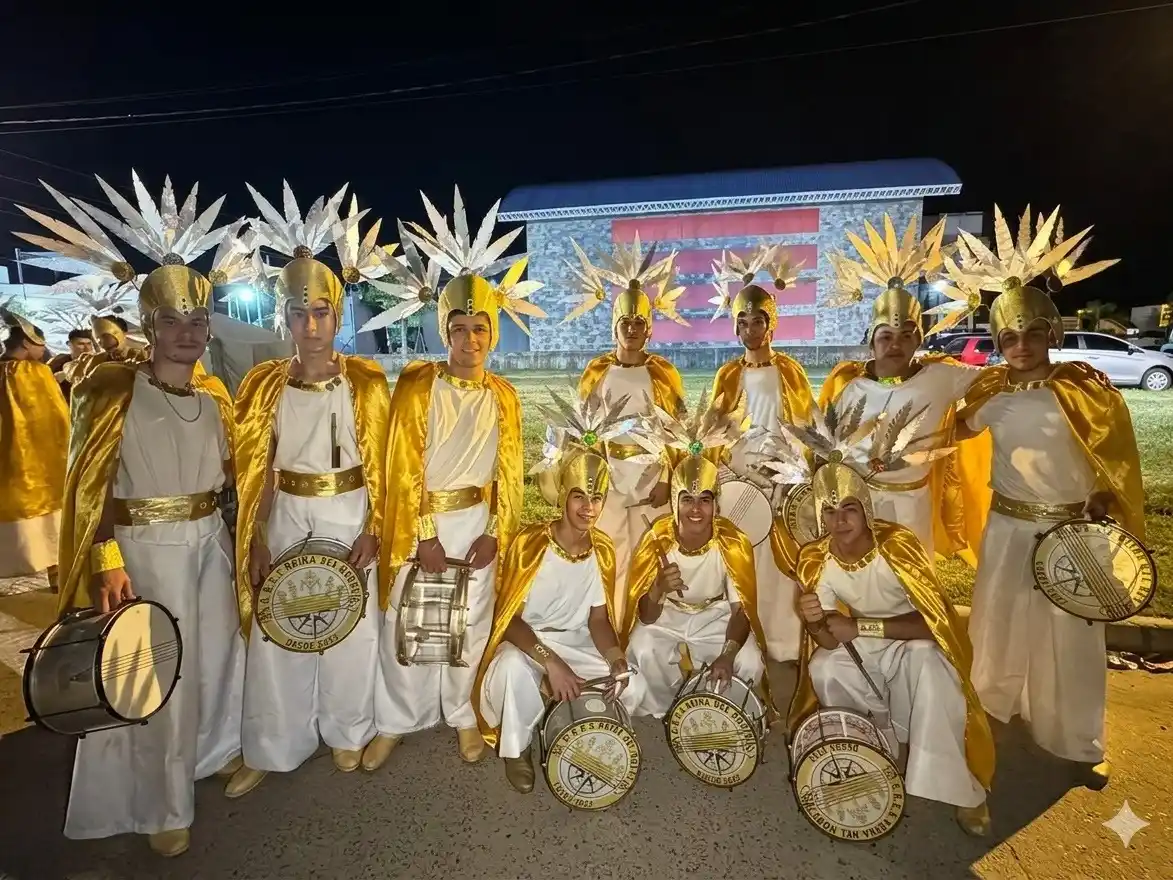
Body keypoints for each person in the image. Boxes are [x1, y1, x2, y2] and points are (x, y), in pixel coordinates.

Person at [26, 173, 249, 858]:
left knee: (215, 660)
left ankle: (211, 755)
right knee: (151, 676)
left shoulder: (215, 397)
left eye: (197, 321)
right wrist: (107, 563)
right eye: (172, 323)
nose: (187, 334)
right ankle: (158, 803)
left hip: (207, 546)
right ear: (149, 327)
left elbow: (232, 484)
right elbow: (88, 489)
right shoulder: (109, 389)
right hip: (144, 555)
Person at [952, 207, 1135, 783]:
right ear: (997, 342)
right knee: (997, 623)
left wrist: (1104, 498)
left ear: (1052, 333)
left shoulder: (1086, 390)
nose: (1021, 345)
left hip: (1072, 532)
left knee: (1071, 637)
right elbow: (947, 430)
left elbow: (1114, 459)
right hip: (1007, 528)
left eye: (1032, 334)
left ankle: (1076, 736)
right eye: (1008, 337)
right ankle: (990, 709)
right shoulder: (990, 394)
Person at [362, 188, 542, 772]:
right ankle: (396, 720)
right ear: (445, 331)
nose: (471, 339)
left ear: (493, 334)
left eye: (480, 328)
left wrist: (496, 530)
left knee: (468, 623)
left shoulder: (503, 396)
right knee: (408, 623)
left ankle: (463, 714)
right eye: (459, 327)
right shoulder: (419, 384)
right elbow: (401, 464)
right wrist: (421, 535)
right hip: (427, 523)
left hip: (477, 523)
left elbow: (509, 476)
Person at [226, 183, 391, 798]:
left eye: (323, 312)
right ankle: (275, 742)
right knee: (281, 626)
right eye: (300, 314)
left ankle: (348, 729)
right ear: (286, 318)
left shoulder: (369, 381)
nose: (313, 324)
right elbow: (259, 468)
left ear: (338, 315)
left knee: (352, 626)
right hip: (288, 513)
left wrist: (376, 527)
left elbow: (386, 466)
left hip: (351, 514)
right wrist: (258, 536)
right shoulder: (264, 384)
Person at [788, 454, 995, 835]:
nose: (840, 520)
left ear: (865, 509)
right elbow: (830, 643)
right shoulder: (816, 557)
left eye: (848, 508)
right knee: (823, 666)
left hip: (911, 639)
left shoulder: (897, 545)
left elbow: (936, 625)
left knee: (928, 666)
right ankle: (870, 748)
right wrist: (814, 620)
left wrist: (860, 626)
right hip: (865, 641)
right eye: (830, 511)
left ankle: (964, 789)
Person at [474, 431, 646, 792]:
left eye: (597, 498)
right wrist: (551, 663)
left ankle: (553, 704)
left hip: (577, 643)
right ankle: (516, 747)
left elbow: (598, 620)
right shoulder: (531, 543)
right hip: (529, 643)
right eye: (579, 497)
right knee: (508, 670)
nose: (589, 507)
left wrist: (615, 657)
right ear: (563, 497)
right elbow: (509, 621)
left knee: (632, 681)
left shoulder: (602, 549)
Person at [818, 216, 987, 566]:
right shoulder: (849, 385)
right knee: (859, 574)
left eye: (906, 335)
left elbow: (1002, 380)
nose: (895, 345)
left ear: (918, 339)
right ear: (871, 341)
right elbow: (827, 443)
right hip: (859, 504)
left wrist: (958, 429)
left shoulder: (942, 376)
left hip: (913, 501)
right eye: (886, 336)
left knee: (911, 579)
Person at [560, 236, 688, 621]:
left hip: (652, 479)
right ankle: (613, 622)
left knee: (651, 550)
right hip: (610, 479)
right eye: (625, 323)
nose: (632, 329)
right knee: (612, 549)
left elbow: (675, 429)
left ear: (649, 330)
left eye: (639, 323)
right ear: (615, 328)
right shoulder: (598, 371)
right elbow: (584, 426)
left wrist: (668, 475)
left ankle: (650, 624)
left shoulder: (663, 372)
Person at [622, 394, 771, 718]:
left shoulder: (732, 541)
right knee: (642, 646)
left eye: (704, 499)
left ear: (716, 504)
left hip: (715, 615)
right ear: (675, 504)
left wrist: (729, 653)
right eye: (686, 499)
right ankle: (667, 708)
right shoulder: (657, 537)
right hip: (668, 615)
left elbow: (740, 610)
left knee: (748, 660)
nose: (695, 509)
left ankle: (713, 708)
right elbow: (647, 616)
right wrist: (659, 589)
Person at [709, 245, 815, 663]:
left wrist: (794, 468)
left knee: (778, 560)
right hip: (741, 478)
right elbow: (715, 428)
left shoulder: (790, 371)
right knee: (743, 557)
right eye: (744, 322)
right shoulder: (728, 374)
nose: (752, 329)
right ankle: (741, 636)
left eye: (759, 321)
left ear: (772, 325)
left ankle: (782, 639)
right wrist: (726, 468)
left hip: (781, 477)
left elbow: (806, 424)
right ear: (735, 328)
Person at [0, 308, 69, 588]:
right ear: (28, 343)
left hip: (7, 466)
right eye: (41, 344)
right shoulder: (35, 372)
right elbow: (56, 418)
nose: (44, 350)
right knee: (50, 525)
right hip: (42, 465)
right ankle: (55, 576)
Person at [49, 328, 94, 398]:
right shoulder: (58, 361)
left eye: (89, 344)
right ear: (69, 344)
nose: (87, 348)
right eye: (81, 344)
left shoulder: (97, 362)